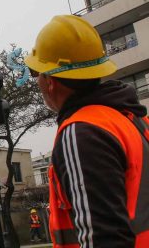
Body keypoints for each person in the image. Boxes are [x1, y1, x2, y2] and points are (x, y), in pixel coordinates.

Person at [24, 15, 149, 247]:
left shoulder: (81, 132)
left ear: (49, 80)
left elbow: (103, 238)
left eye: (36, 72)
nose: (38, 82)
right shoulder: (132, 120)